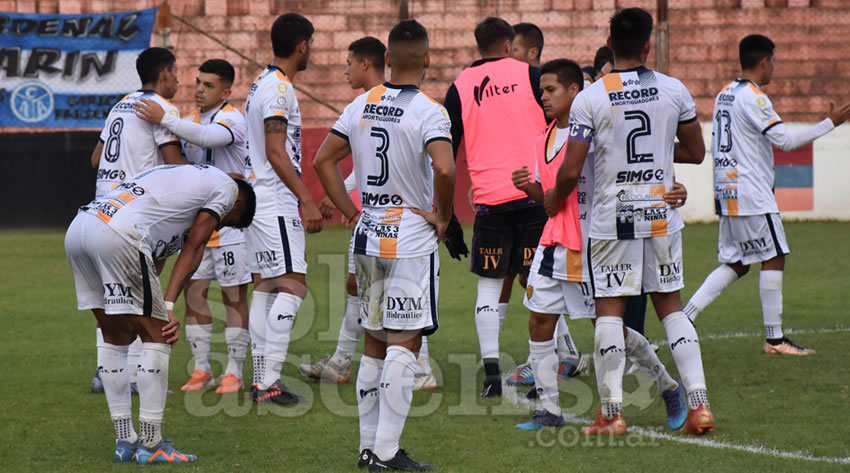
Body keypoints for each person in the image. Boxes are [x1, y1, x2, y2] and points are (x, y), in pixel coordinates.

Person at [546, 8, 712, 435]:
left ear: (610, 42)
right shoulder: (674, 90)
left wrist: (553, 200)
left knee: (609, 313)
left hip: (612, 217)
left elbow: (570, 169)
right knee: (671, 308)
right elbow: (695, 152)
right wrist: (658, 152)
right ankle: (700, 405)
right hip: (660, 211)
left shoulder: (592, 97)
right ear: (647, 44)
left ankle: (612, 413)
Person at [510, 59, 689, 432]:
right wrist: (529, 189)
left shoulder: (592, 132)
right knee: (539, 320)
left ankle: (668, 386)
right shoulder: (543, 135)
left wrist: (671, 190)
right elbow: (551, 198)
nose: (543, 97)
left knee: (611, 328)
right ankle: (549, 410)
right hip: (553, 242)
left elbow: (630, 165)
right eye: (541, 91)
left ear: (575, 92)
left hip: (589, 244)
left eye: (551, 90)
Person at [314, 19, 454, 471]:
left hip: (367, 231)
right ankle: (388, 452)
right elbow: (446, 170)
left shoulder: (361, 104)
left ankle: (367, 449)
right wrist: (445, 217)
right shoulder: (431, 111)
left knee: (374, 342)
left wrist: (352, 212)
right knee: (404, 343)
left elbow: (323, 160)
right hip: (410, 237)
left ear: (387, 59)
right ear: (428, 60)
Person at [65, 164, 256, 464]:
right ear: (239, 204)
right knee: (159, 336)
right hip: (120, 233)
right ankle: (152, 445)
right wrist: (166, 307)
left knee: (115, 335)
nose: (219, 227)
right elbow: (196, 245)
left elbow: (155, 256)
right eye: (229, 222)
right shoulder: (227, 188)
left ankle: (124, 440)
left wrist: (154, 301)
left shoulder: (181, 180)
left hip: (81, 228)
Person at [684, 34, 850, 355]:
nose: (774, 67)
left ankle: (684, 318)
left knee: (738, 262)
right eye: (774, 61)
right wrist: (832, 122)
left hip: (728, 191)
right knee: (774, 256)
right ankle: (774, 339)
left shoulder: (725, 94)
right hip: (751, 193)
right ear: (764, 61)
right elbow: (785, 141)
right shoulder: (754, 97)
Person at [445, 17, 580, 398]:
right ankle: (545, 369)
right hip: (535, 196)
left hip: (490, 201)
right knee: (539, 284)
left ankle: (492, 377)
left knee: (490, 287)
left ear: (479, 46)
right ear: (508, 44)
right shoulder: (533, 76)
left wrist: (447, 212)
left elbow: (447, 148)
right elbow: (559, 127)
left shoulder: (459, 86)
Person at [298, 37, 438, 391]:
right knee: (364, 287)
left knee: (398, 293)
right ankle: (345, 360)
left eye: (348, 62)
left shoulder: (375, 103)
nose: (344, 69)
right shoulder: (388, 103)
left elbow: (375, 161)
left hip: (390, 217)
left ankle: (414, 365)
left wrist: (344, 197)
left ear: (370, 62)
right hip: (381, 220)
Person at [135, 59, 252, 393]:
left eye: (209, 85)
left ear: (227, 91)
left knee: (233, 296)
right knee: (195, 294)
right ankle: (202, 370)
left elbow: (209, 137)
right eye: (198, 83)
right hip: (197, 225)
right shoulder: (185, 121)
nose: (200, 90)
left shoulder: (232, 118)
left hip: (229, 222)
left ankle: (234, 371)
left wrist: (165, 119)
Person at [88, 47, 190, 394]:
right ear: (164, 72)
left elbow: (96, 158)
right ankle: (130, 374)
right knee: (138, 293)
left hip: (100, 209)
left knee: (110, 295)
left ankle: (106, 370)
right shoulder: (161, 109)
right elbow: (174, 164)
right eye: (176, 72)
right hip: (133, 212)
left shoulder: (120, 104)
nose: (178, 79)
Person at [243, 13, 323, 405]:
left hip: (258, 200)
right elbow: (276, 151)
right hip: (274, 201)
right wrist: (305, 198)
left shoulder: (261, 83)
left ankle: (261, 377)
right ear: (302, 45)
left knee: (267, 287)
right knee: (293, 287)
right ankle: (268, 381)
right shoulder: (277, 90)